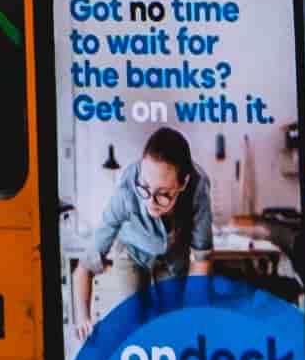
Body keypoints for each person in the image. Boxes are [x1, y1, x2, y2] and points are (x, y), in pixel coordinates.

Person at [73, 126, 217, 334]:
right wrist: (83, 319)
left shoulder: (198, 187)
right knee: (132, 321)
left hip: (174, 254)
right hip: (131, 251)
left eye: (163, 194)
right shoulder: (126, 193)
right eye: (145, 187)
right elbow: (84, 267)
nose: (150, 202)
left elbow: (202, 258)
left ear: (183, 182)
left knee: (174, 321)